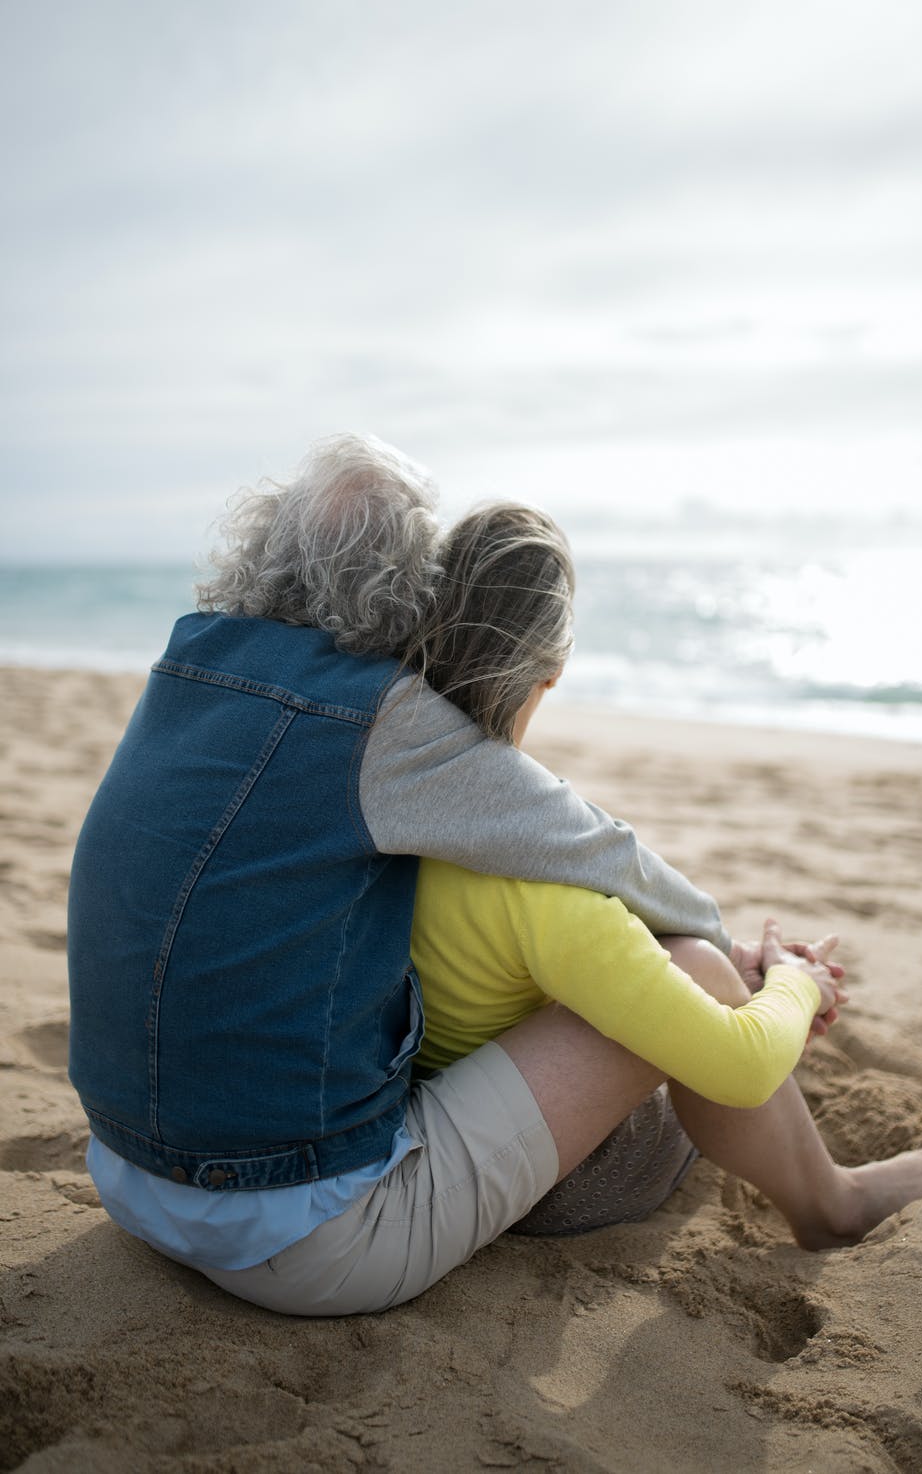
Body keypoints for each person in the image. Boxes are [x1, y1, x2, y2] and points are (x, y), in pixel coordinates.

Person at [68, 433, 749, 1316]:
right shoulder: (379, 717)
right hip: (297, 1234)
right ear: (410, 584)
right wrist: (717, 938)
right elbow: (590, 847)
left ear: (264, 540)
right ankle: (825, 1192)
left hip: (123, 1173)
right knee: (680, 984)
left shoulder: (188, 660)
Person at [405, 502, 922, 1244]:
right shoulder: (542, 878)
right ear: (553, 672)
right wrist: (796, 988)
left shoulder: (384, 797)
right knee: (702, 976)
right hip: (539, 1183)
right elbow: (738, 1069)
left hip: (435, 1100)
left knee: (688, 975)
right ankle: (832, 1202)